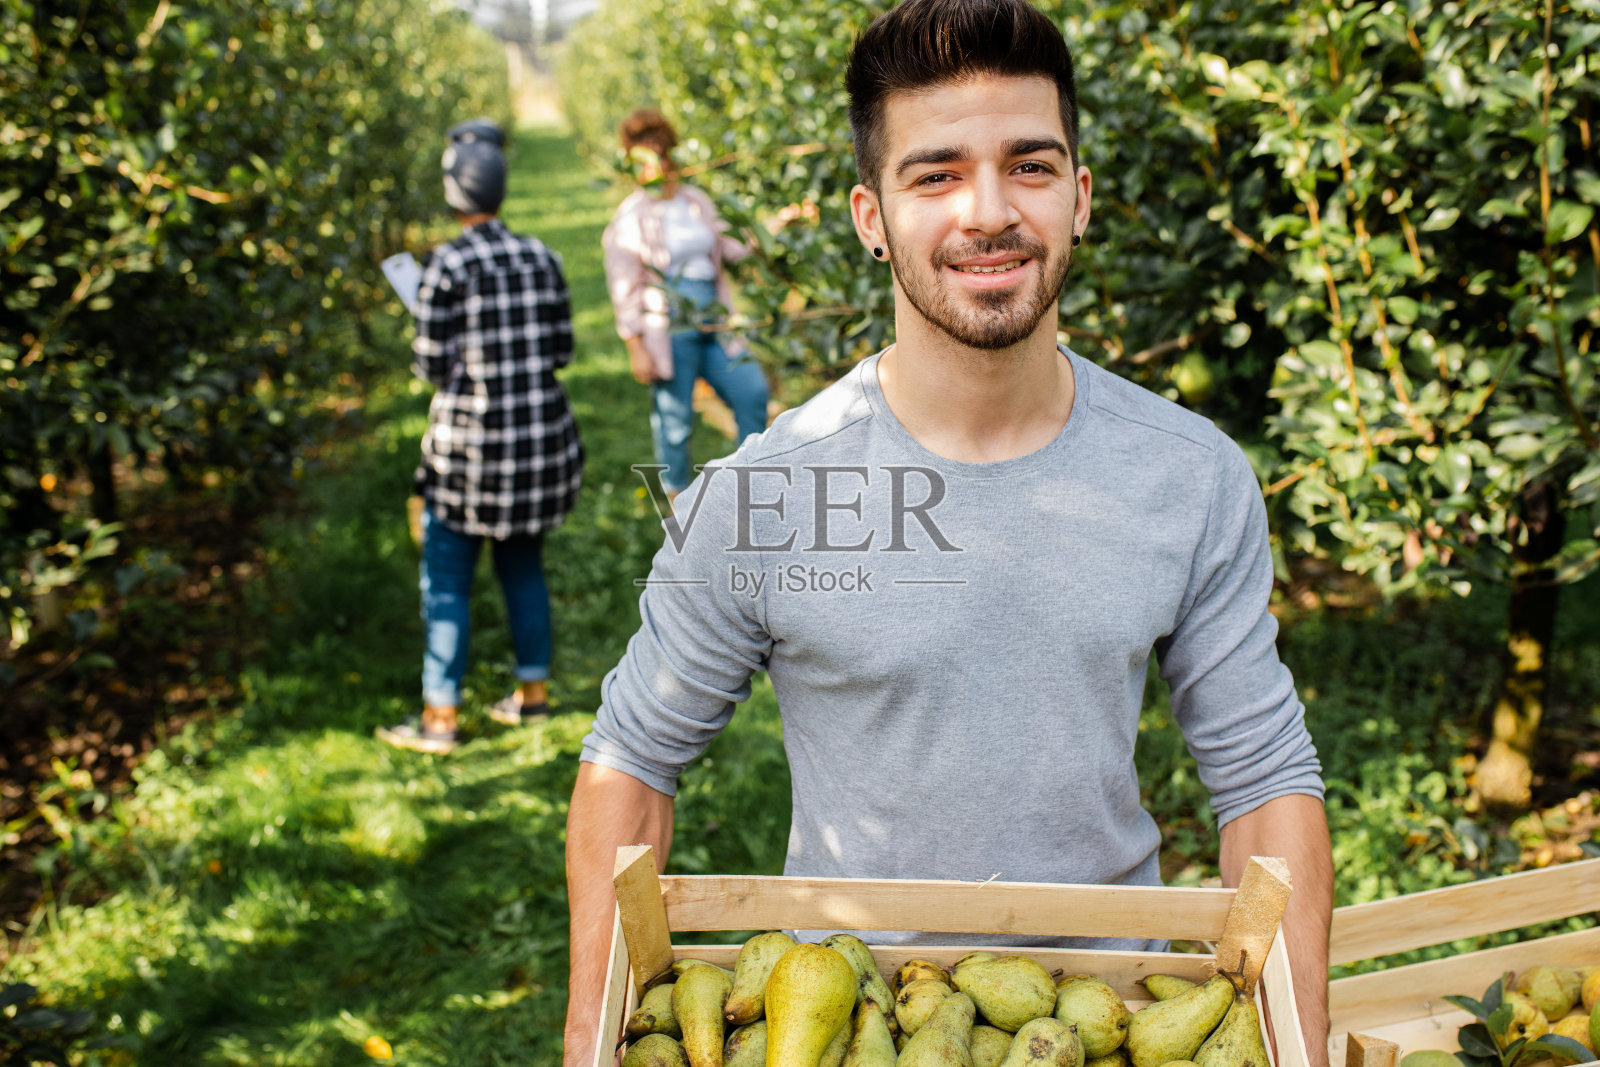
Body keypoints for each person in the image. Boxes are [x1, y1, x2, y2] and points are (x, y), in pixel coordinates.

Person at [563, 0, 1333, 1063]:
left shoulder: (1188, 474)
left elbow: (1262, 779)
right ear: (869, 216)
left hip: (1102, 1019)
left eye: (1029, 165)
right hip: (847, 1018)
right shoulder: (764, 496)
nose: (988, 211)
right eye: (933, 175)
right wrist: (586, 1042)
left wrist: (1298, 1040)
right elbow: (632, 762)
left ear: (1079, 195)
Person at [376, 120, 584, 754]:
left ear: (453, 193)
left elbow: (432, 366)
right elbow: (562, 349)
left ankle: (440, 717)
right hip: (539, 443)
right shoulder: (541, 256)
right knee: (523, 565)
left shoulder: (444, 267)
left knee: (447, 580)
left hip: (470, 452)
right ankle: (532, 694)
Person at [601, 108, 771, 499]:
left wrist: (775, 225)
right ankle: (678, 501)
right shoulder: (631, 217)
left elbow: (730, 246)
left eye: (660, 156)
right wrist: (635, 345)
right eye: (642, 160)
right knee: (675, 421)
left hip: (713, 318)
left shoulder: (696, 201)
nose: (654, 166)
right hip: (669, 325)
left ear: (670, 156)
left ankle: (748, 488)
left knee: (752, 391)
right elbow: (623, 286)